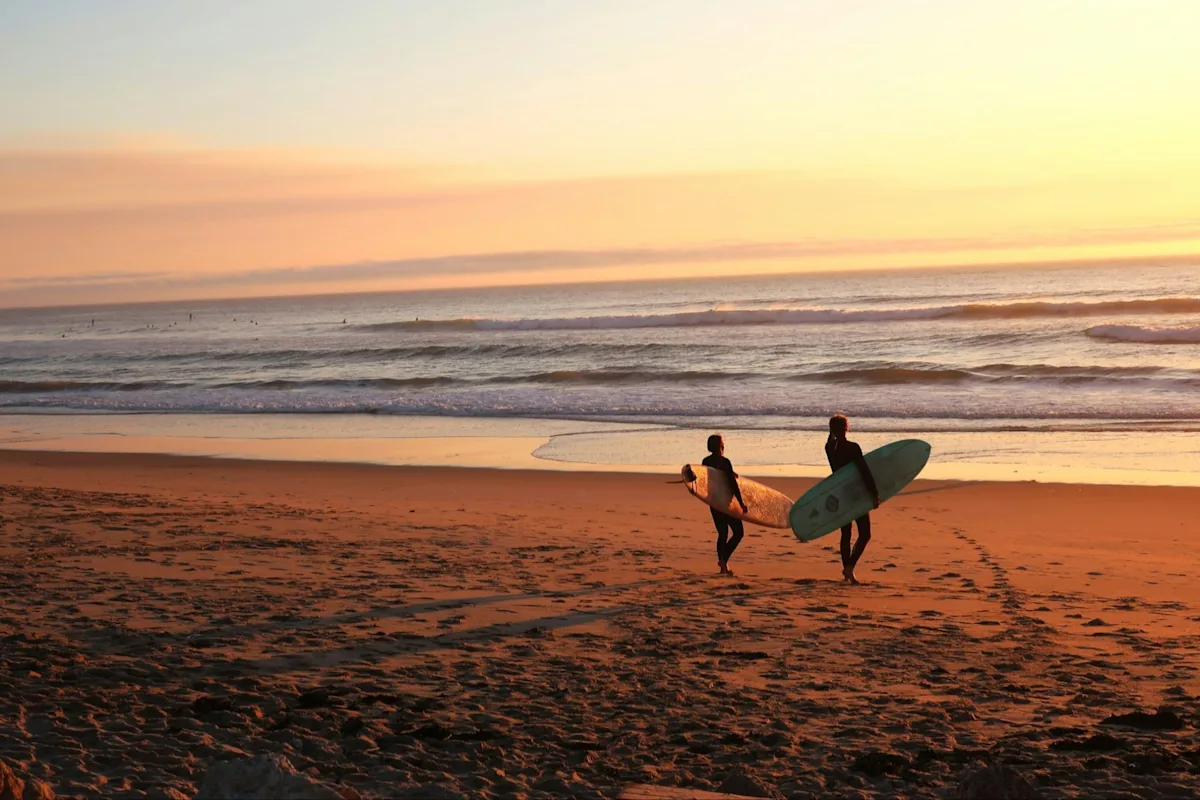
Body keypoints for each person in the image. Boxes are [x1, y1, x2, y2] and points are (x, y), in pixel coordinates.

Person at [825, 414, 880, 584]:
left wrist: (831, 432)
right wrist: (874, 493)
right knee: (865, 534)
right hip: (856, 493)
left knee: (846, 533)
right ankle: (849, 567)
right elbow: (864, 471)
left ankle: (846, 572)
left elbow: (830, 440)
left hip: (840, 494)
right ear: (846, 428)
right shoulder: (853, 447)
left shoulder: (829, 448)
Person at [702, 434, 748, 576]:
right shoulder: (725, 462)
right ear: (720, 446)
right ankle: (723, 561)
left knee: (722, 533)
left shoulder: (705, 461)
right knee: (738, 533)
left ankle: (723, 566)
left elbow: (711, 477)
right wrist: (741, 503)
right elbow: (732, 484)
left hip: (714, 502)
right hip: (726, 503)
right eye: (723, 443)